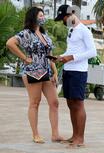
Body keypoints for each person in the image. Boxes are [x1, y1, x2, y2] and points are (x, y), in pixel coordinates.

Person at [6, 7, 65, 144]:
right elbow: (10, 43)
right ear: (33, 17)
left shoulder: (44, 35)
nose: (43, 17)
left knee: (54, 102)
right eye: (40, 15)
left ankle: (55, 134)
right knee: (35, 102)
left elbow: (48, 56)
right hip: (33, 72)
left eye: (43, 15)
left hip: (47, 72)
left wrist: (55, 71)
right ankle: (35, 134)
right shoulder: (26, 33)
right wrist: (24, 58)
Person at [54, 5, 97, 148]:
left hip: (78, 72)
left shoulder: (85, 31)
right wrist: (61, 57)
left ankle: (80, 139)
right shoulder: (71, 30)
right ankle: (74, 135)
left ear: (72, 14)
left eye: (64, 18)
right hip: (68, 70)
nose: (63, 21)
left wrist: (72, 57)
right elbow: (71, 50)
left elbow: (92, 52)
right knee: (70, 104)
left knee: (78, 104)